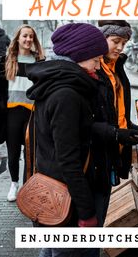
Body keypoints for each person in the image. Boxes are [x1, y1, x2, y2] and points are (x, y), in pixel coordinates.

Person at [25, 22, 110, 257]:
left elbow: (78, 130)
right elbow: (68, 159)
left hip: (56, 195)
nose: (98, 65)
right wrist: (86, 212)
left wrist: (115, 133)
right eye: (95, 59)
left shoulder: (58, 84)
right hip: (68, 201)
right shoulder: (67, 95)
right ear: (77, 56)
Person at [91, 20, 138, 240]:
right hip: (97, 157)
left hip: (112, 151)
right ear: (101, 38)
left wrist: (131, 128)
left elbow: (115, 110)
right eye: (115, 41)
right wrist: (117, 133)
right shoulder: (95, 70)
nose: (119, 48)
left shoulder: (117, 67)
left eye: (123, 43)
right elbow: (91, 119)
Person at [0, 24, 44, 201]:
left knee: (30, 153)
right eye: (25, 36)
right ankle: (14, 185)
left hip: (32, 113)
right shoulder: (7, 60)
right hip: (12, 114)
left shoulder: (40, 61)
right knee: (13, 152)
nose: (28, 39)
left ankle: (28, 185)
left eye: (31, 37)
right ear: (18, 39)